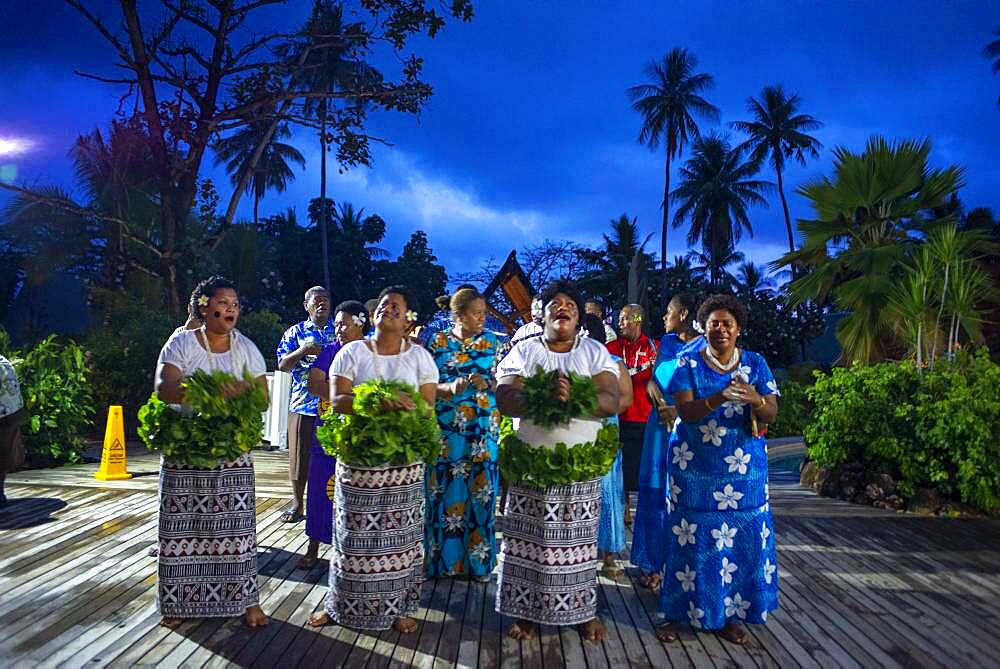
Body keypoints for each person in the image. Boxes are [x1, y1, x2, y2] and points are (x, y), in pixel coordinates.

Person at [308, 285, 439, 634]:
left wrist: (405, 408)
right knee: (352, 535)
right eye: (383, 304)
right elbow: (338, 400)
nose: (388, 309)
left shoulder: (421, 358)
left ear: (408, 318)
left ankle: (397, 607)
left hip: (404, 463)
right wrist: (380, 403)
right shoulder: (352, 352)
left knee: (398, 538)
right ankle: (337, 606)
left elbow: (426, 407)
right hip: (359, 460)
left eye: (397, 306)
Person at [495, 280, 620, 641]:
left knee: (577, 549)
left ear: (579, 317)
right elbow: (504, 398)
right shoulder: (524, 350)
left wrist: (573, 397)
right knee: (528, 547)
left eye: (570, 304)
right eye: (555, 303)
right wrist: (541, 395)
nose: (562, 307)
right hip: (532, 466)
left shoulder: (594, 352)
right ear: (542, 313)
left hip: (579, 470)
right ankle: (527, 613)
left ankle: (581, 613)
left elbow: (611, 401)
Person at [655, 294, 780, 646]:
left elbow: (771, 412)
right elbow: (687, 413)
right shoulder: (688, 363)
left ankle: (727, 615)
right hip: (694, 469)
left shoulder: (756, 364)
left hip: (744, 475)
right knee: (689, 541)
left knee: (739, 543)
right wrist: (721, 396)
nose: (721, 329)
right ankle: (677, 613)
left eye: (727, 323)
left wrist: (756, 399)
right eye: (714, 323)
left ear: (738, 329)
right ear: (703, 328)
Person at [153, 276, 269, 629]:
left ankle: (246, 601)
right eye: (223, 302)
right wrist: (213, 393)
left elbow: (263, 398)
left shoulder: (247, 348)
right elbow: (164, 389)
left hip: (231, 452)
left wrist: (245, 390)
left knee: (236, 532)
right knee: (182, 529)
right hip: (186, 448)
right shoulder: (182, 344)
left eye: (235, 304)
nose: (231, 309)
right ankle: (177, 601)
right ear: (204, 306)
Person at [425, 288, 507, 580]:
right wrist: (450, 388)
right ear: (458, 315)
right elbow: (425, 385)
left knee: (480, 495)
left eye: (484, 313)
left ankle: (478, 565)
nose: (483, 318)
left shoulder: (496, 344)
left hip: (482, 433)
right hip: (446, 433)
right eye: (477, 313)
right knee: (442, 492)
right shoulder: (436, 341)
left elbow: (508, 385)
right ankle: (441, 563)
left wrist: (490, 383)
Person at [632, 293, 704, 591]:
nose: (664, 317)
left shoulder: (704, 346)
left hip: (687, 426)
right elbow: (653, 379)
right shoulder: (668, 343)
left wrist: (677, 411)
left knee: (681, 494)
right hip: (659, 422)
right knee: (653, 490)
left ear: (684, 312)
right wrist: (660, 402)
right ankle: (651, 563)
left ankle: (683, 565)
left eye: (669, 311)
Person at [296, 300, 369, 570]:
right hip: (328, 428)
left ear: (361, 323)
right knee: (319, 486)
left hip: (360, 431)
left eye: (344, 323)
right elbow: (314, 383)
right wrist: (343, 395)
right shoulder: (329, 351)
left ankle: (352, 550)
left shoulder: (371, 352)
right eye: (337, 323)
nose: (338, 328)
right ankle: (313, 545)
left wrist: (348, 396)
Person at [276, 286, 336, 522]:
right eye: (317, 301)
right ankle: (298, 503)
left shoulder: (339, 329)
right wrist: (303, 350)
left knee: (331, 455)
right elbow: (283, 365)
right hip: (303, 404)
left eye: (326, 300)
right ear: (306, 305)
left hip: (333, 405)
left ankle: (329, 504)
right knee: (299, 456)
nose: (322, 304)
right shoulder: (295, 332)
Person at [581, 313, 632, 581]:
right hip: (577, 437)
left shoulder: (614, 364)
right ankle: (581, 553)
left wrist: (594, 409)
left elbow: (625, 400)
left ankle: (609, 557)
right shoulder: (573, 363)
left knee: (608, 493)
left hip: (604, 435)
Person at [605, 303, 658, 520]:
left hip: (645, 415)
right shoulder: (611, 348)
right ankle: (624, 507)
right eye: (620, 319)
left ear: (637, 320)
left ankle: (646, 508)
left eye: (625, 318)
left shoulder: (655, 347)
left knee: (646, 466)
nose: (620, 323)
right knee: (622, 466)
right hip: (619, 416)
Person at [0, 352, 25, 508]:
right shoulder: (2, 360)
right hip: (12, 410)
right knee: (3, 455)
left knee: (2, 455)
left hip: (5, 412)